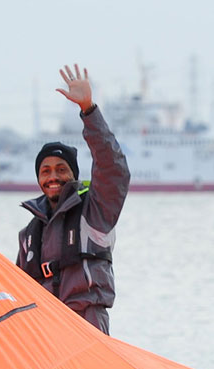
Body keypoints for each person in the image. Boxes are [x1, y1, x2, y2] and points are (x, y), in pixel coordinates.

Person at [17, 64, 130, 334]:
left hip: (87, 328)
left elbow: (112, 169)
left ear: (74, 175)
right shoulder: (29, 234)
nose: (53, 176)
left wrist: (88, 110)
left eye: (61, 169)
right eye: (45, 171)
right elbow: (15, 291)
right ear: (38, 179)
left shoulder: (96, 211)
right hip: (44, 333)